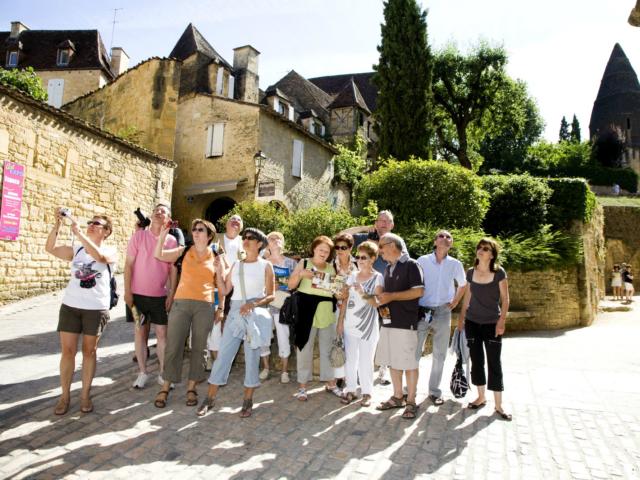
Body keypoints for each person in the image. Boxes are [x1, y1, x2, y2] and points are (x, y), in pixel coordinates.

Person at [45, 209, 117, 415]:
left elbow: (100, 256)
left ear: (106, 232)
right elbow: (50, 248)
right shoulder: (77, 249)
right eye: (90, 222)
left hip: (95, 309)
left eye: (97, 224)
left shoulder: (112, 250)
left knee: (89, 352)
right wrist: (57, 225)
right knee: (67, 352)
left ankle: (85, 394)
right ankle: (65, 396)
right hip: (71, 306)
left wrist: (80, 235)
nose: (92, 225)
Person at [197, 228, 275, 418]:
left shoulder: (266, 265)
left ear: (259, 244)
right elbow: (224, 290)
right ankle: (210, 398)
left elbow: (271, 295)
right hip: (235, 313)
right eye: (245, 238)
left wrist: (254, 303)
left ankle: (248, 401)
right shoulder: (236, 265)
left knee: (252, 358)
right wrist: (217, 271)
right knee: (223, 355)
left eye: (251, 238)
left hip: (253, 313)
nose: (246, 240)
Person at [152, 219, 218, 409]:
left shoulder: (216, 255)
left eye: (200, 230)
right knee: (174, 345)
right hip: (181, 303)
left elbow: (224, 281)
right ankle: (166, 386)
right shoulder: (183, 250)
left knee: (200, 347)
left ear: (209, 235)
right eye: (194, 229)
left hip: (204, 305)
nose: (196, 232)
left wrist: (221, 307)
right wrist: (164, 233)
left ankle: (192, 387)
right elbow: (159, 254)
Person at [339, 210, 406, 384]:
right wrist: (365, 228)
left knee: (387, 329)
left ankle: (383, 369)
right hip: (365, 296)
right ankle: (358, 375)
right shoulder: (365, 238)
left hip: (387, 296)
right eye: (380, 221)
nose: (383, 224)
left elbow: (404, 262)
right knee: (364, 332)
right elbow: (341, 235)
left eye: (387, 221)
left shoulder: (397, 242)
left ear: (392, 225)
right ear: (376, 223)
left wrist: (382, 246)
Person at [457, 238, 512, 421]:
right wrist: (461, 319)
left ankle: (498, 404)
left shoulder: (499, 273)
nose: (481, 250)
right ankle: (480, 397)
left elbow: (505, 300)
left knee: (494, 362)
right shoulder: (470, 272)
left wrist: (501, 321)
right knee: (477, 360)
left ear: (492, 254)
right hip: (472, 322)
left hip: (492, 324)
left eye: (485, 248)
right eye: (479, 247)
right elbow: (467, 298)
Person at [125, 204, 177, 389]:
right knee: (140, 333)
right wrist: (127, 292)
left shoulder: (171, 241)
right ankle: (142, 372)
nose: (159, 212)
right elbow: (128, 265)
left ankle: (163, 373)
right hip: (138, 297)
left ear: (168, 218)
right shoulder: (139, 236)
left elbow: (172, 270)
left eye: (164, 211)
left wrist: (171, 293)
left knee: (162, 334)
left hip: (159, 298)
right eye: (157, 209)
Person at [374, 233, 424, 420]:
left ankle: (411, 401)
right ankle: (397, 396)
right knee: (393, 360)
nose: (379, 251)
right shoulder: (388, 268)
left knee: (409, 363)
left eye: (381, 247)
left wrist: (392, 296)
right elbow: (387, 294)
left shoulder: (412, 264)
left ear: (392, 245)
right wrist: (379, 298)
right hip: (388, 322)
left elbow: (419, 291)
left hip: (406, 323)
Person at [416, 230, 466, 406]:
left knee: (440, 354)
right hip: (422, 311)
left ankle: (434, 391)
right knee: (414, 352)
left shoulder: (455, 264)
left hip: (444, 312)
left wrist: (455, 302)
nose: (445, 238)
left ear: (451, 243)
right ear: (435, 241)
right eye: (441, 236)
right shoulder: (422, 261)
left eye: (448, 237)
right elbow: (414, 282)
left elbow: (463, 284)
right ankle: (409, 390)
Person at [288, 236, 340, 401]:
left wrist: (342, 291)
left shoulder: (332, 268)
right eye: (321, 249)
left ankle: (331, 383)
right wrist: (301, 274)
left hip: (326, 311)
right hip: (305, 311)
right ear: (314, 249)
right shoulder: (303, 262)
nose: (324, 253)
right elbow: (290, 285)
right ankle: (302, 387)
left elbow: (337, 293)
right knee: (304, 348)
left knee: (328, 349)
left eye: (327, 251)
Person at [337, 241, 384, 407]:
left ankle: (367, 392)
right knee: (350, 360)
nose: (360, 260)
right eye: (358, 256)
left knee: (366, 360)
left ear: (372, 259)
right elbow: (344, 300)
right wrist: (340, 322)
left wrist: (362, 292)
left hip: (368, 326)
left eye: (364, 257)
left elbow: (377, 303)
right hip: (350, 324)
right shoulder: (352, 275)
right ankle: (350, 390)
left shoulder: (378, 277)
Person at [259, 231, 298, 383]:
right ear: (267, 243)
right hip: (265, 304)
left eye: (278, 238)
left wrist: (283, 284)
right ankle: (266, 368)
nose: (275, 240)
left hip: (283, 305)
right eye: (271, 238)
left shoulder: (291, 263)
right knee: (263, 337)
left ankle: (284, 371)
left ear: (283, 243)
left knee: (283, 337)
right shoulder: (261, 261)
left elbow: (295, 284)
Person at [207, 214, 244, 363]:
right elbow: (214, 257)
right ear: (226, 224)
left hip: (237, 288)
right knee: (215, 320)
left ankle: (225, 357)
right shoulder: (217, 239)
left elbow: (244, 261)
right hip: (216, 285)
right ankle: (212, 355)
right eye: (232, 219)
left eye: (239, 220)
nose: (235, 221)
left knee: (230, 322)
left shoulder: (244, 242)